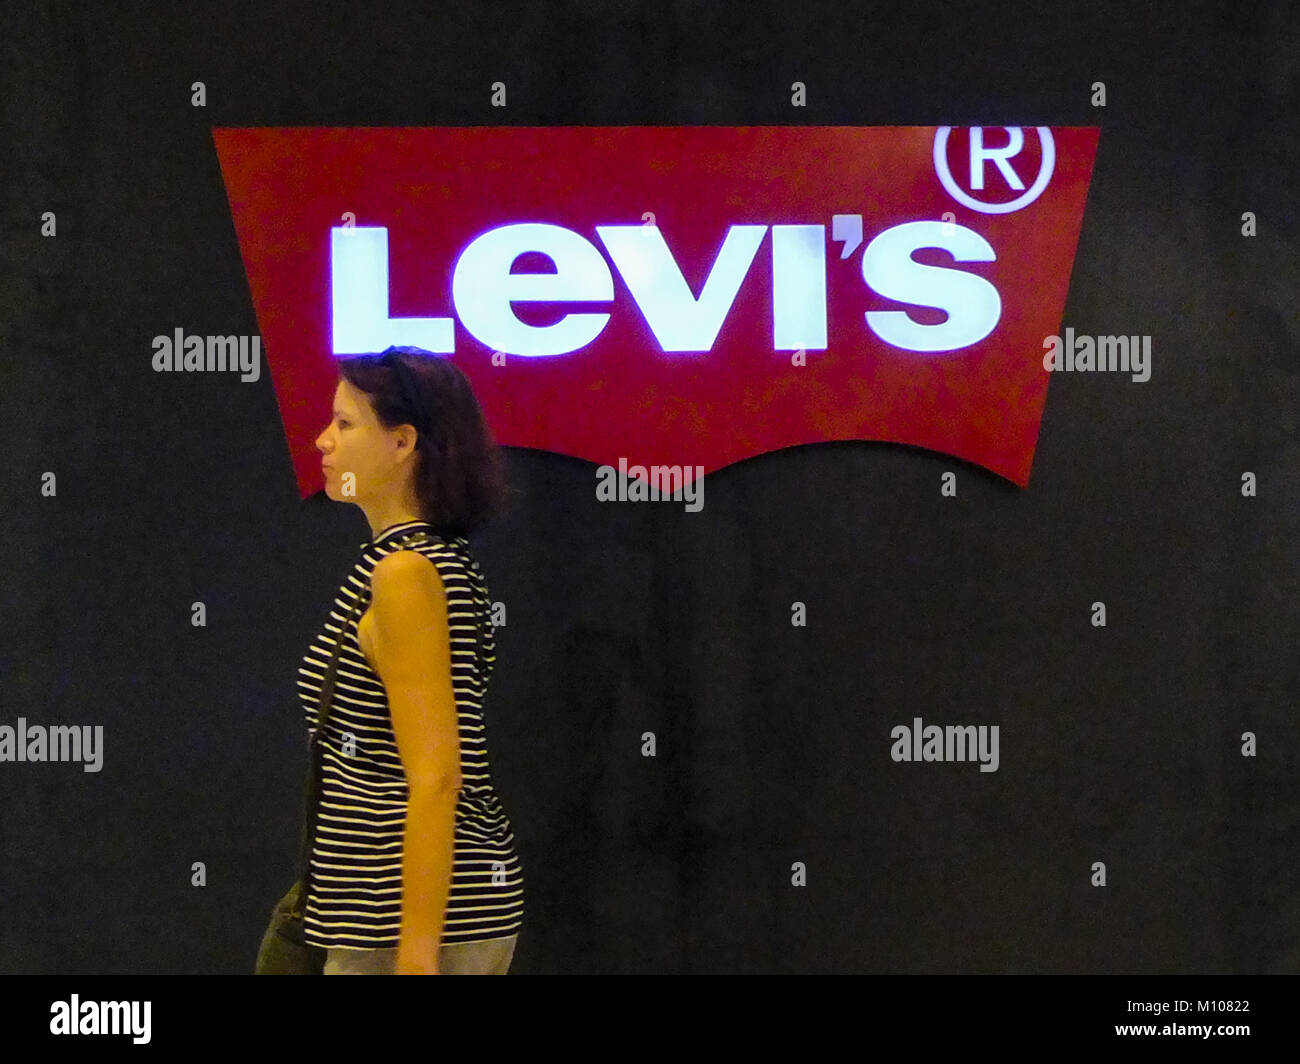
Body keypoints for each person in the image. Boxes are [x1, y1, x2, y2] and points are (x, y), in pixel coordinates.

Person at [303, 345, 524, 974]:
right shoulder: (415, 562)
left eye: (344, 424)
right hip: (390, 911)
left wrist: (418, 956)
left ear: (402, 443)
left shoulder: (405, 572)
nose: (323, 441)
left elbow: (436, 774)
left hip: (411, 922)